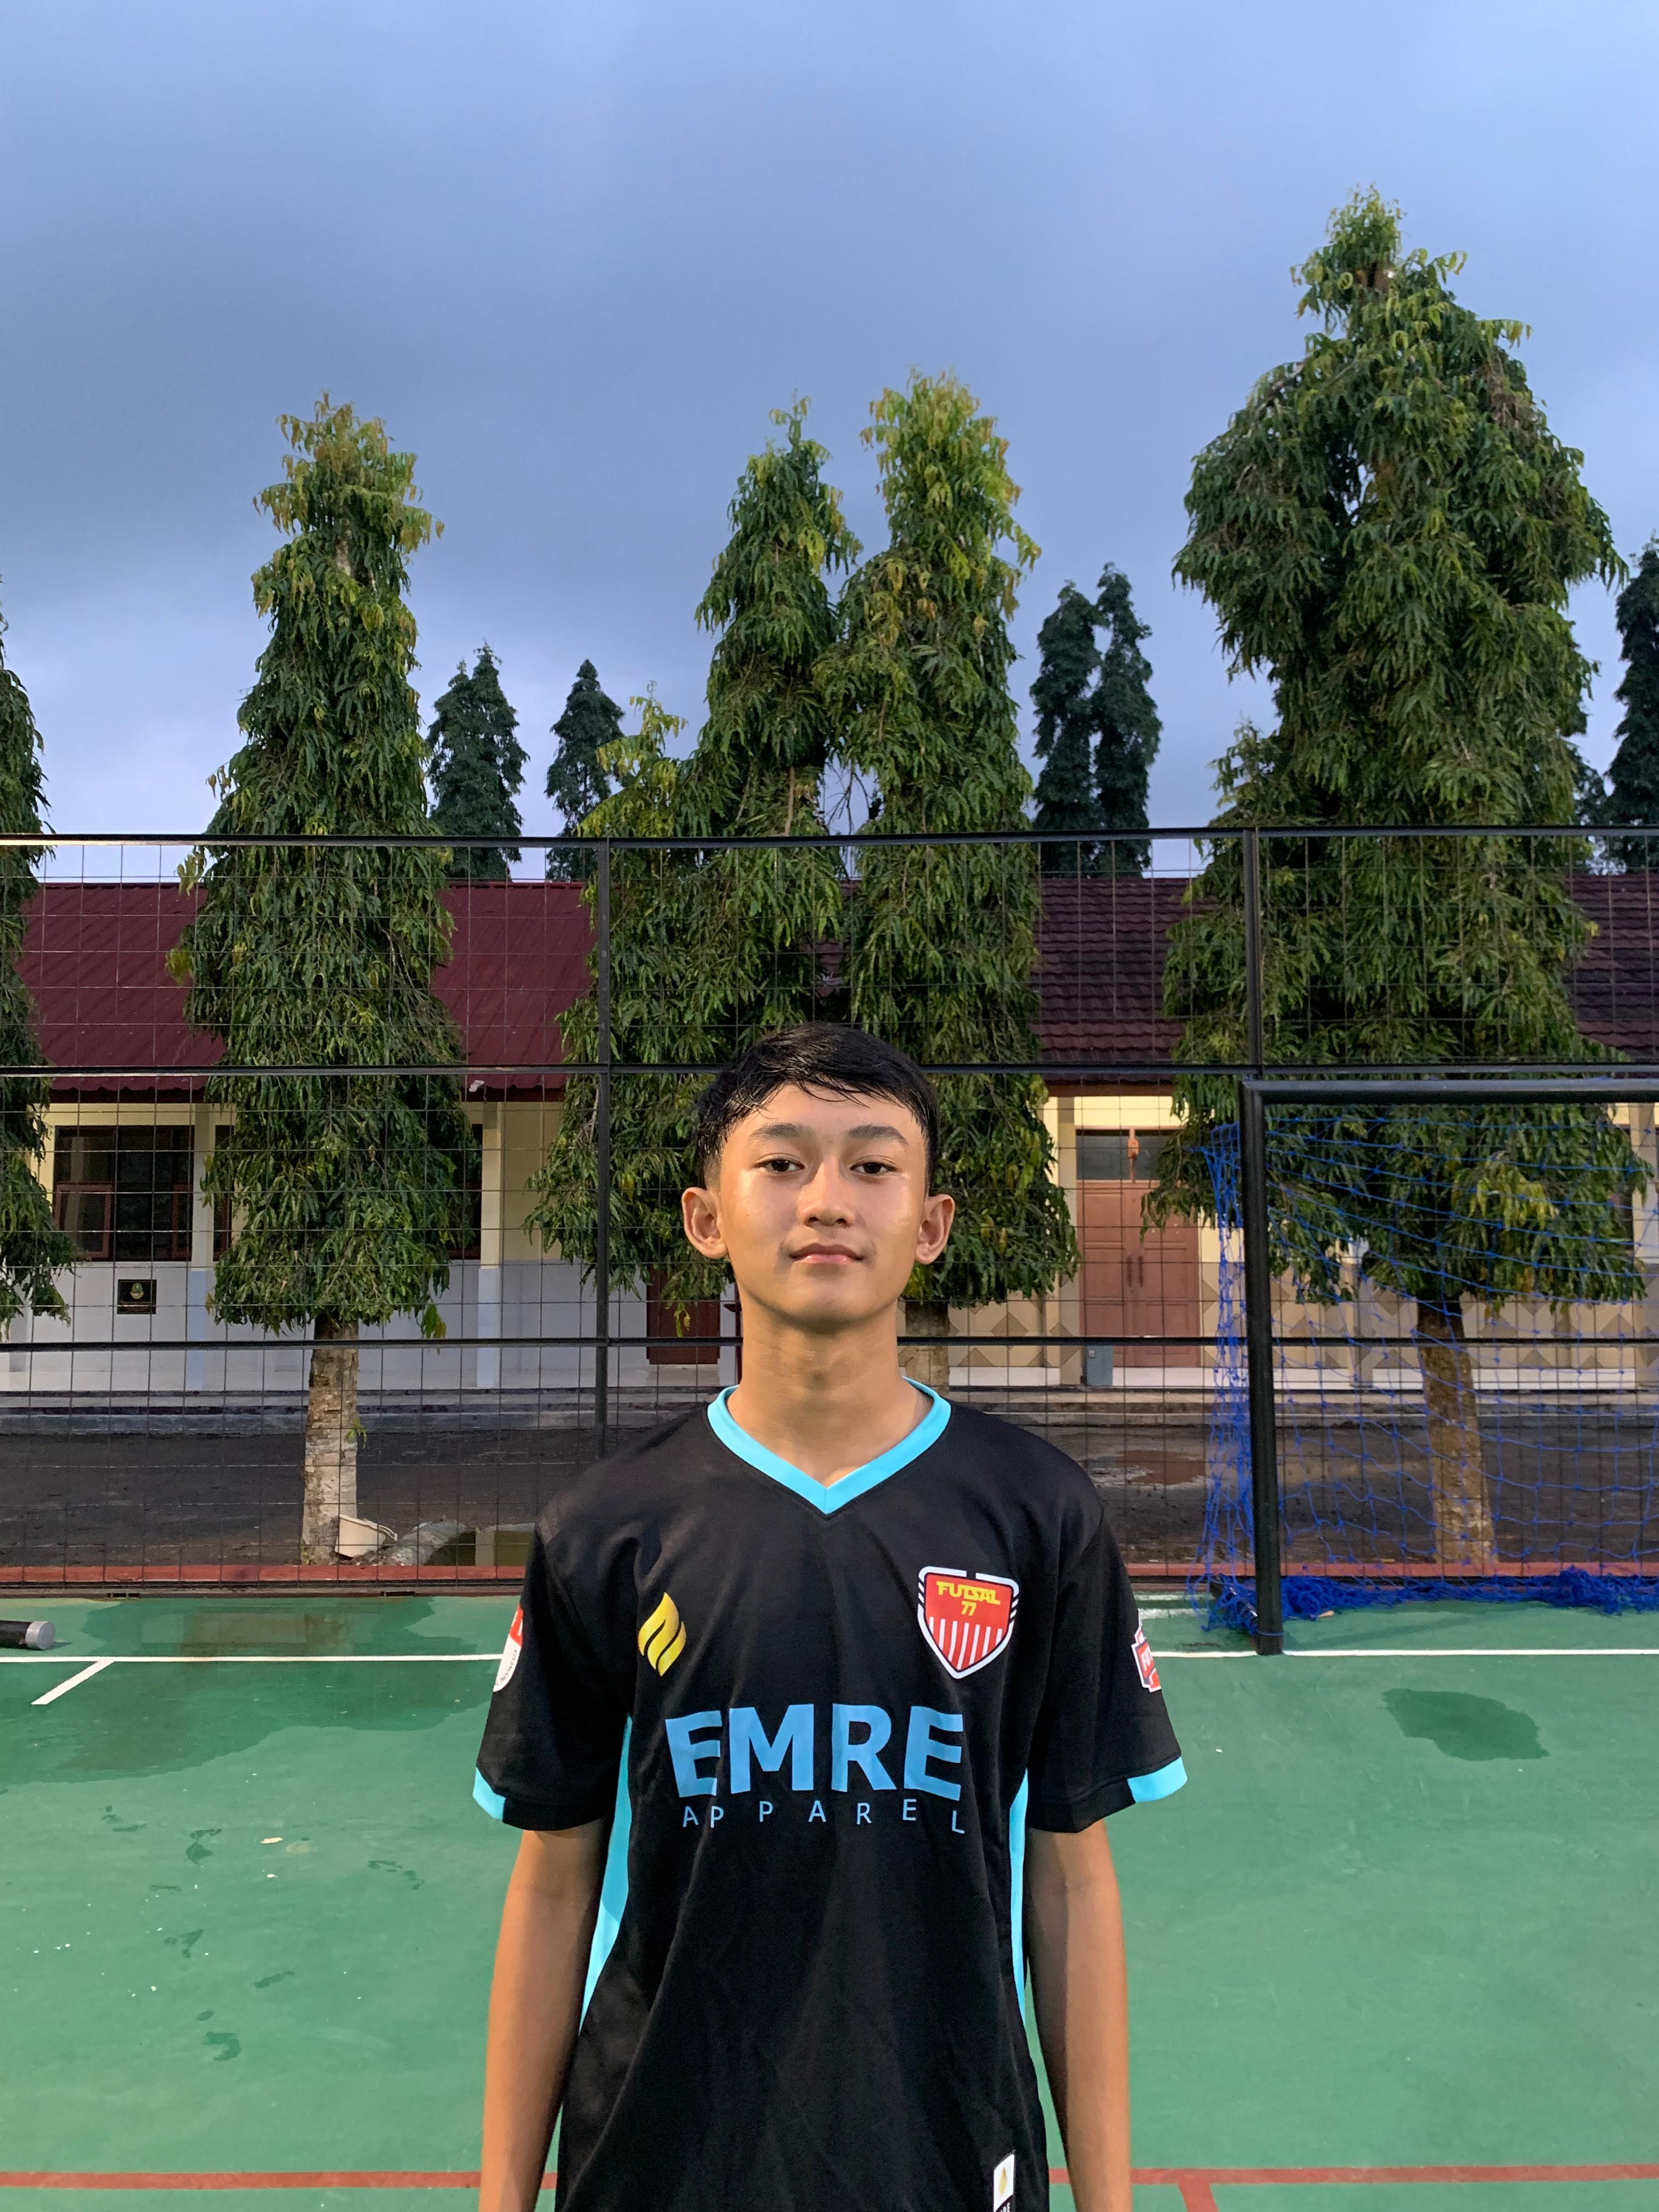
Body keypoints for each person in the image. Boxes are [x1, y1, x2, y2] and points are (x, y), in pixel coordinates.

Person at [474, 1024, 1184, 2212]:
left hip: (946, 2155)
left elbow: (1070, 1880)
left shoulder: (1036, 1514)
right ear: (707, 1218)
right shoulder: (607, 1526)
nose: (827, 1201)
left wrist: (1108, 2202)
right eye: (782, 1162)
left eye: (872, 1164)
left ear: (932, 1223)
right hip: (659, 2163)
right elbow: (554, 1884)